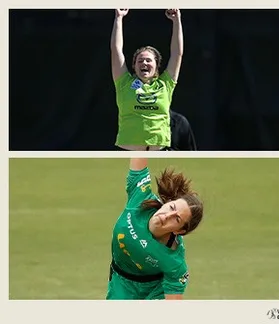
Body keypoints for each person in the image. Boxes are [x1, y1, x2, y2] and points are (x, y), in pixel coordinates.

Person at [106, 158, 204, 300]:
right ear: (168, 202)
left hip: (155, 291)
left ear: (179, 231)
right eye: (172, 207)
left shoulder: (174, 261)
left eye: (176, 219)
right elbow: (139, 153)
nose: (166, 216)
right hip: (121, 282)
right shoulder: (140, 196)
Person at [111, 9, 184, 151]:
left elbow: (177, 53)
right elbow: (116, 50)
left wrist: (177, 21)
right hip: (128, 151)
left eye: (148, 60)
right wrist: (118, 18)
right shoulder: (124, 83)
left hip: (159, 151)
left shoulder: (165, 84)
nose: (144, 63)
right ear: (134, 65)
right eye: (140, 61)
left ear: (156, 65)